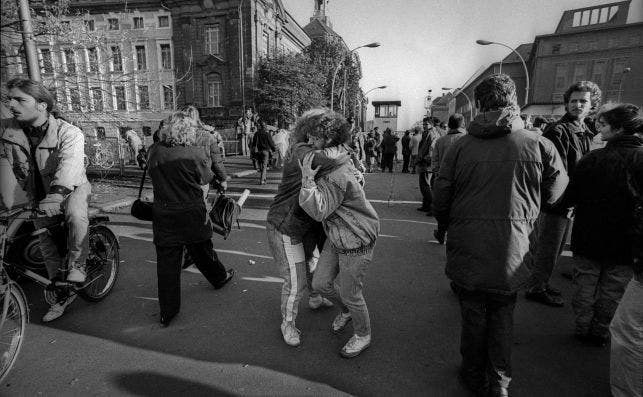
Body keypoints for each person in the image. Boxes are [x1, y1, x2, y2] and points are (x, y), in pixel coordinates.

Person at [433, 74, 568, 397]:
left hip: (469, 244)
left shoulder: (460, 146)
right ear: (515, 100)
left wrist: (443, 225)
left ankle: (473, 374)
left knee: (474, 313)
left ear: (478, 105)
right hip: (515, 246)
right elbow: (556, 192)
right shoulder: (539, 144)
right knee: (504, 313)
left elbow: (442, 195)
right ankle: (500, 382)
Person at [1, 78, 93, 322]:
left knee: (75, 215)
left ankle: (77, 266)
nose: (11, 104)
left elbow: (70, 166)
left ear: (42, 105)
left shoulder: (68, 132)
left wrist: (56, 195)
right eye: (9, 99)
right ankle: (60, 291)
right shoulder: (7, 131)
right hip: (38, 194)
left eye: (20, 99)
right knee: (46, 242)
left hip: (71, 188)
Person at [557, 103, 643, 348]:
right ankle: (601, 329)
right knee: (614, 287)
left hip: (589, 233)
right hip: (627, 239)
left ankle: (583, 325)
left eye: (603, 124)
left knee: (585, 282)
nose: (598, 127)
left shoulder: (593, 158)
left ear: (618, 128)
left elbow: (570, 196)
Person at [266, 109, 350, 347]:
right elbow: (331, 160)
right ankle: (288, 324)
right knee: (295, 280)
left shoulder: (312, 149)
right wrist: (347, 150)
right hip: (286, 225)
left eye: (324, 137)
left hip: (307, 225)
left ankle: (314, 298)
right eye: (314, 134)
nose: (316, 140)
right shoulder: (301, 151)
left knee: (312, 265)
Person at [299, 111, 380, 359]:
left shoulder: (333, 171)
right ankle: (346, 311)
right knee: (320, 284)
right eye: (308, 137)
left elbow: (319, 210)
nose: (309, 142)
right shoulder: (337, 156)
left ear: (328, 138)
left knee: (351, 293)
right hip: (338, 237)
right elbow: (355, 177)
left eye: (314, 138)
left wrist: (306, 181)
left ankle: (363, 334)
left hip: (356, 239)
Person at [147, 111, 235, 328]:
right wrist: (221, 182)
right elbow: (206, 177)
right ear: (189, 131)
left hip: (164, 214)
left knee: (167, 265)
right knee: (203, 251)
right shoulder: (194, 153)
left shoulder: (154, 151)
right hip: (191, 213)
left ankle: (168, 312)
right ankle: (219, 277)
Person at [525, 80, 602, 307]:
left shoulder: (583, 131)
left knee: (555, 247)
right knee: (548, 247)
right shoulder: (559, 130)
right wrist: (556, 199)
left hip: (569, 200)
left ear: (592, 105)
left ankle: (540, 281)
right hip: (558, 200)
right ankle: (535, 287)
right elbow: (553, 170)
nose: (578, 105)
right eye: (573, 101)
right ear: (567, 104)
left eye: (583, 101)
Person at [431, 113, 467, 244]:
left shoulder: (441, 141)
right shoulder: (467, 140)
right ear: (462, 124)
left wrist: (437, 173)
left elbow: (434, 160)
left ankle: (441, 233)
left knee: (443, 208)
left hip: (443, 179)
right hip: (462, 180)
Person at [415, 117, 440, 214]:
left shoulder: (430, 133)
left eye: (426, 124)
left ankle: (433, 206)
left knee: (425, 185)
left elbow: (427, 148)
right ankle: (426, 205)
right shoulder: (432, 133)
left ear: (431, 124)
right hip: (428, 161)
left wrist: (420, 159)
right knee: (425, 184)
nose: (424, 126)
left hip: (426, 162)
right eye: (424, 124)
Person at [251, 118, 276, 185]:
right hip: (265, 152)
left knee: (261, 166)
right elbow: (271, 143)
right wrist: (274, 150)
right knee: (264, 166)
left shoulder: (256, 134)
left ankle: (264, 179)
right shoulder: (267, 134)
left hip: (258, 152)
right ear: (265, 126)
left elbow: (253, 143)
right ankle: (262, 180)